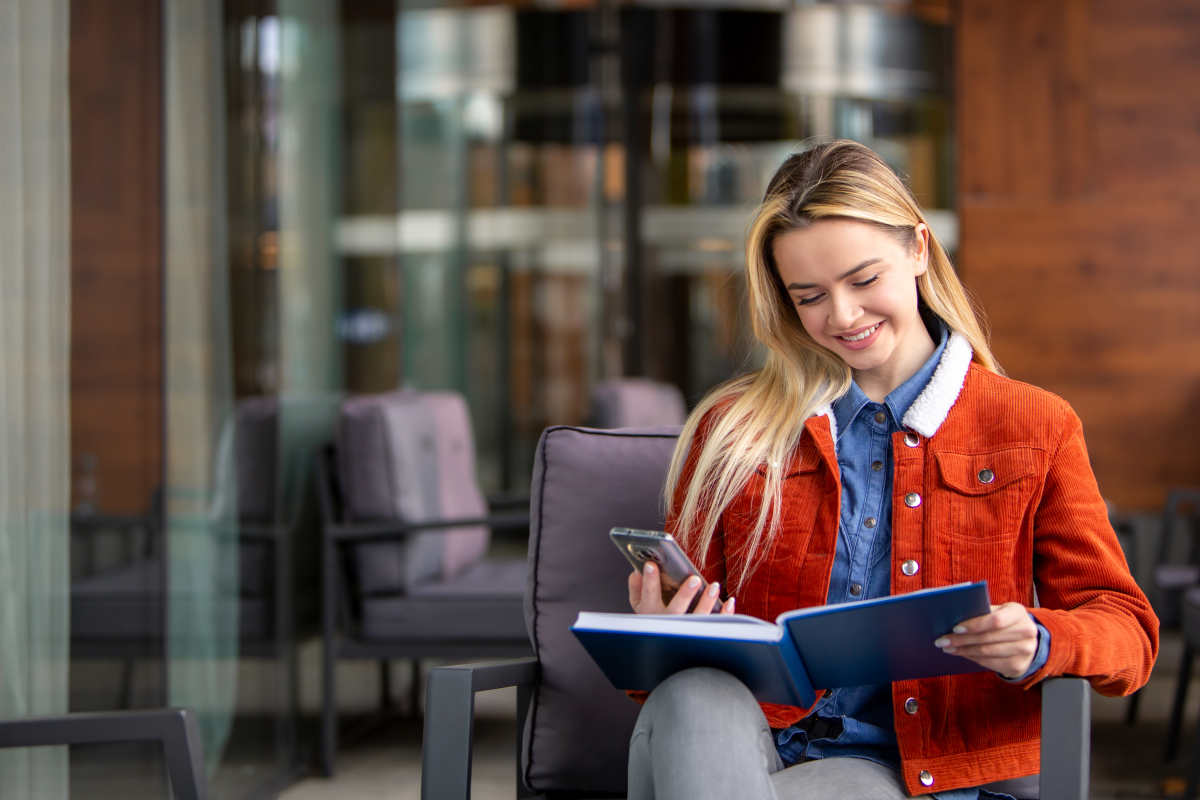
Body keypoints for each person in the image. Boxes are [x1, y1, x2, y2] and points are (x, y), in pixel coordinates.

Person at [624, 140, 1158, 800]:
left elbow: (1127, 631)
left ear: (918, 250)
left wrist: (1040, 639)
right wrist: (660, 633)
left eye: (863, 279)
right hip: (746, 750)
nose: (842, 317)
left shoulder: (1034, 425)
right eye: (809, 295)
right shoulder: (733, 431)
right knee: (693, 692)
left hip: (926, 773)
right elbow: (683, 678)